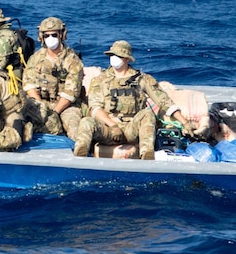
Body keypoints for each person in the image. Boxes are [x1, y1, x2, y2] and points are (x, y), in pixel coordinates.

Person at [74, 40, 202, 160]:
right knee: (87, 121)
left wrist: (185, 123)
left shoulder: (142, 79)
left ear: (127, 59)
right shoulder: (100, 80)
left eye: (117, 55)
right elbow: (95, 108)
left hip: (132, 128)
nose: (114, 58)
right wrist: (112, 125)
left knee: (147, 114)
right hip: (108, 129)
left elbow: (163, 101)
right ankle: (81, 156)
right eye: (112, 55)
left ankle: (146, 155)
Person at [22, 16, 85, 138]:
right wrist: (40, 107)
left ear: (61, 35)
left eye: (54, 35)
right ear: (42, 37)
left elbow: (71, 93)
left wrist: (55, 112)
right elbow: (29, 85)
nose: (50, 39)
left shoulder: (72, 60)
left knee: (74, 129)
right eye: (46, 36)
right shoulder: (36, 58)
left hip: (66, 106)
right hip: (41, 103)